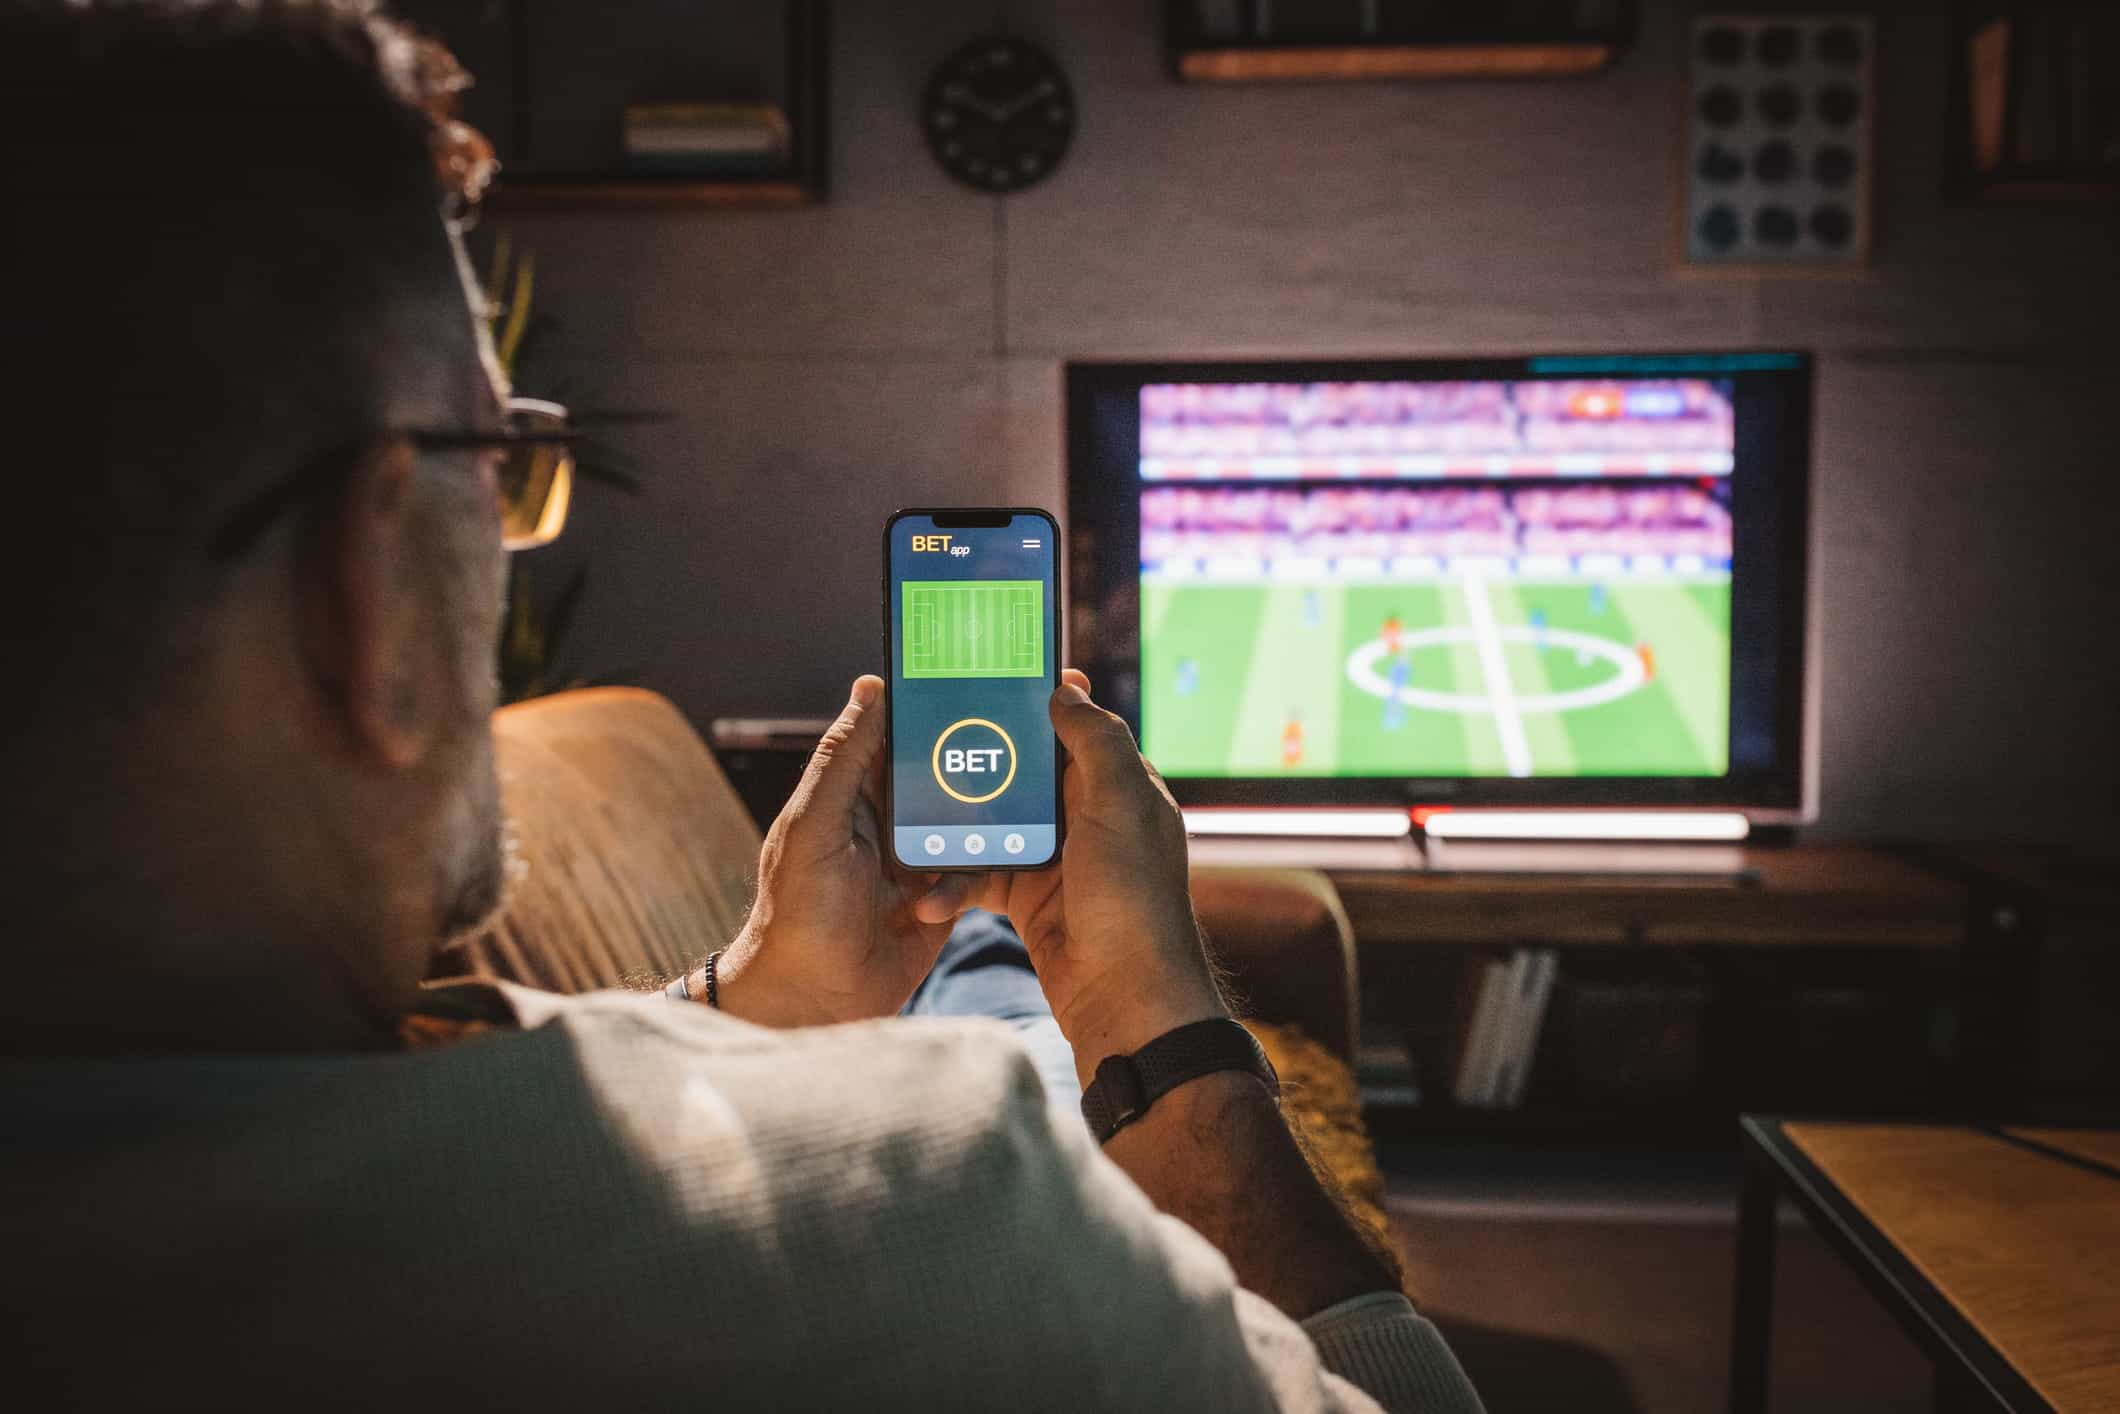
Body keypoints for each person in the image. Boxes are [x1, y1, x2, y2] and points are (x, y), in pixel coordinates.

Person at [0, 3, 1481, 1411]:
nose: (524, 525)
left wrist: (749, 1003)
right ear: (364, 590)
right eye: (503, 458)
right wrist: (1163, 1032)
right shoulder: (931, 1205)